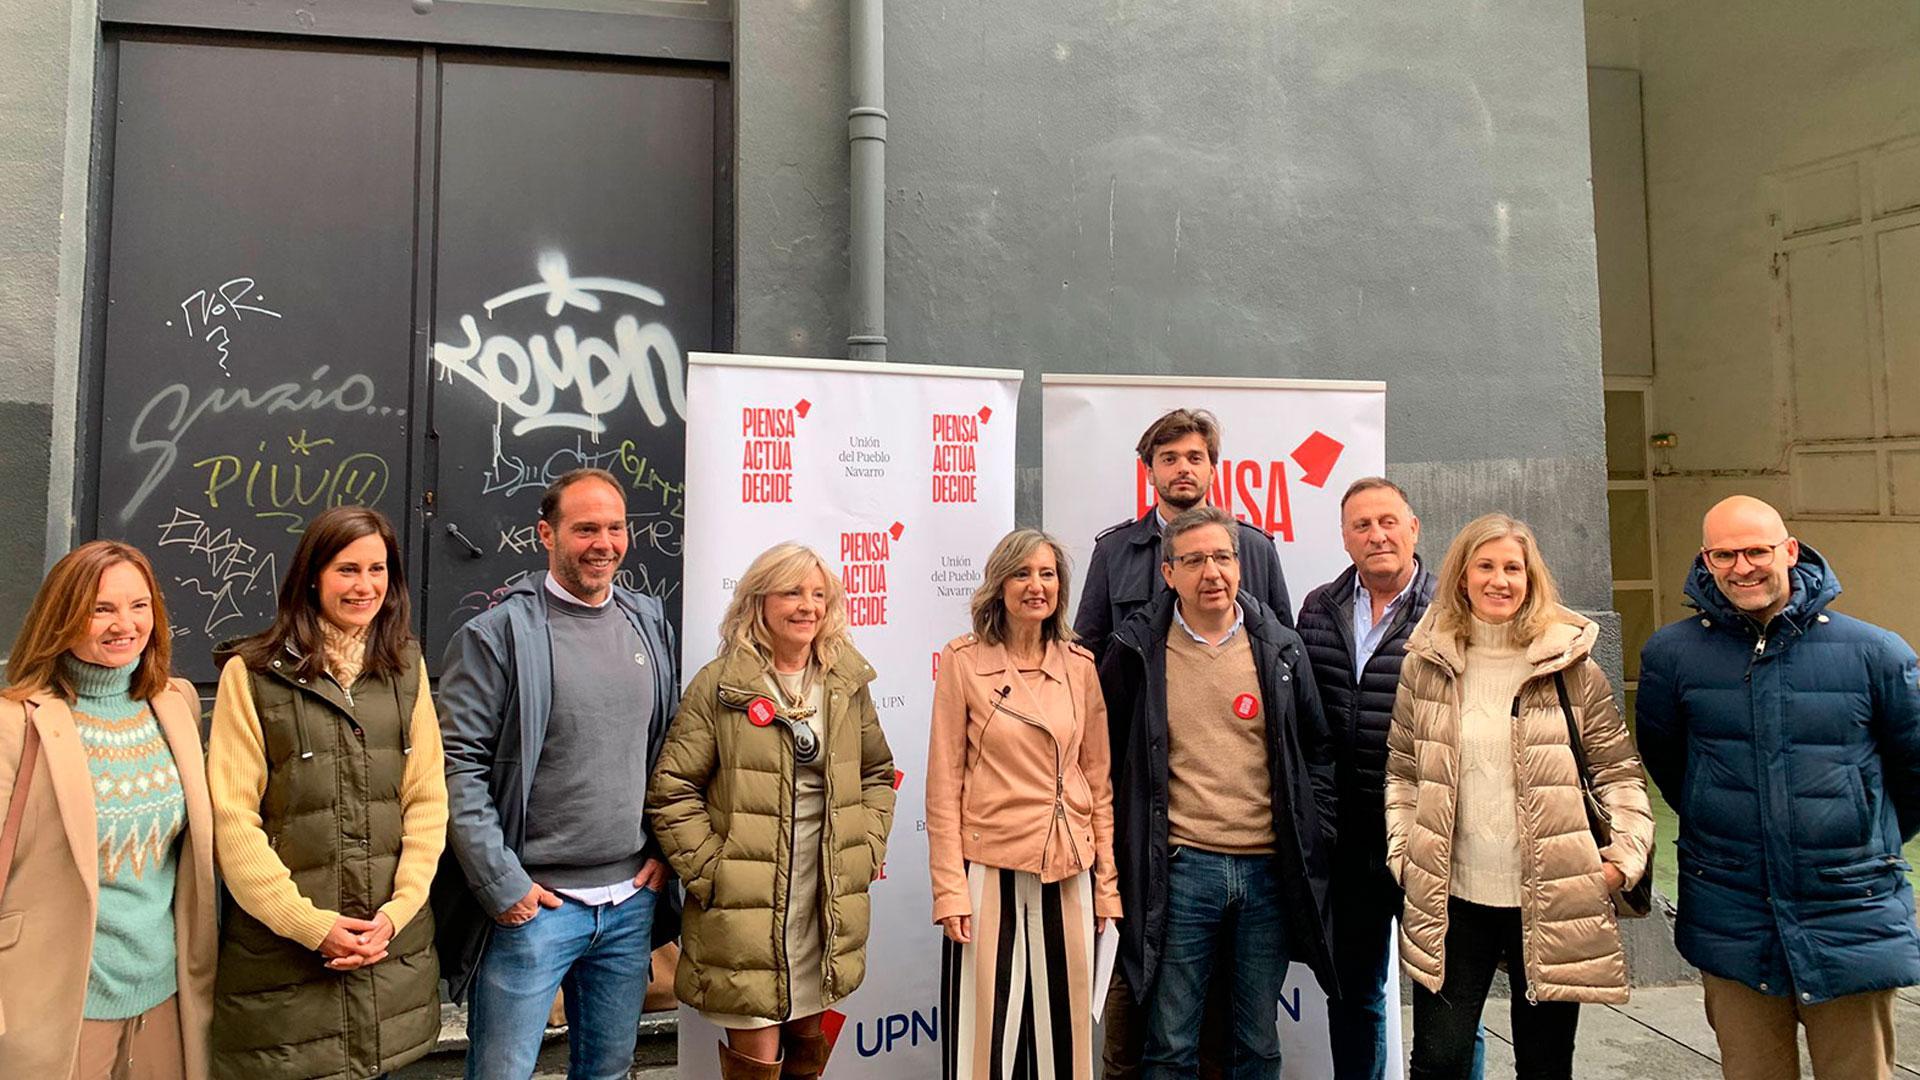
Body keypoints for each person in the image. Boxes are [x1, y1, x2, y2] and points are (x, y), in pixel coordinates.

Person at [1637, 495, 1920, 1080]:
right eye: (1725, 554)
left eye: (1757, 551)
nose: (1743, 567)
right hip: (1732, 911)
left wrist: (1859, 833)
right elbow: (1670, 766)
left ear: (1789, 550)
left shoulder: (1877, 654)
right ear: (1706, 560)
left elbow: (1913, 772)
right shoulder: (1672, 656)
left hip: (1849, 908)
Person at [1385, 513, 1653, 1080]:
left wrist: (1623, 858)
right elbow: (1403, 773)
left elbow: (1618, 773)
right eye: (1485, 566)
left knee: (1545, 1063)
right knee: (1439, 1059)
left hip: (1553, 896)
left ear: (1532, 580)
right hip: (1454, 897)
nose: (1499, 580)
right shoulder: (1425, 665)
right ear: (1462, 576)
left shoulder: (1570, 667)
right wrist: (1403, 853)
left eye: (1514, 568)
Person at [436, 468, 681, 1080]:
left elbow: (669, 751)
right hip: (534, 909)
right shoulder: (496, 636)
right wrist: (503, 886)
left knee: (606, 1072)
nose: (604, 542)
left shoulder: (648, 623)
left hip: (629, 905)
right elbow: (456, 768)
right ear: (546, 534)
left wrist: (663, 852)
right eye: (585, 529)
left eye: (616, 528)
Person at [1076, 408, 1294, 1078]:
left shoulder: (1254, 547)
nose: (1182, 469)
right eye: (1169, 458)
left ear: (1211, 467)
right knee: (1159, 1020)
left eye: (1194, 457)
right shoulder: (1115, 552)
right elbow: (1086, 667)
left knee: (1245, 1029)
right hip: (1160, 827)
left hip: (1253, 841)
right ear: (1152, 472)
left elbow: (1286, 669)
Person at [206, 505, 448, 1080]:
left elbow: (427, 802)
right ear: (312, 575)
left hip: (392, 963)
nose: (365, 586)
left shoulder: (405, 668)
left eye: (378, 569)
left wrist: (396, 914)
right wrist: (312, 927)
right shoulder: (254, 674)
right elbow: (233, 819)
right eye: (347, 569)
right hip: (286, 973)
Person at [1100, 506, 1337, 1079]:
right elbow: (1105, 755)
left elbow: (1318, 751)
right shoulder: (1136, 651)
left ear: (1240, 565)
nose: (1212, 571)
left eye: (1223, 557)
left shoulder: (1280, 648)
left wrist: (1317, 832)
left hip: (1267, 874)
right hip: (1181, 870)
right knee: (1171, 1041)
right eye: (1195, 559)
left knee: (1255, 1042)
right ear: (1168, 573)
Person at [649, 542, 897, 1080]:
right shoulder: (721, 686)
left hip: (822, 896)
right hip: (749, 904)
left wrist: (864, 847)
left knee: (809, 1039)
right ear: (758, 601)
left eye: (818, 594)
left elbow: (878, 774)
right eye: (792, 592)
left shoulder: (844, 683)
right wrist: (714, 872)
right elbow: (672, 789)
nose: (808, 606)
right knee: (756, 1053)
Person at [0, 540, 216, 1080]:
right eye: (102, 608)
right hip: (57, 1001)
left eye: (139, 605)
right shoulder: (15, 723)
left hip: (164, 995)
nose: (126, 623)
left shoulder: (175, 703)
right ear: (64, 615)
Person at [927, 529, 1121, 1080]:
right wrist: (950, 890)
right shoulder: (963, 662)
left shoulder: (1080, 666)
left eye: (1048, 574)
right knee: (981, 1047)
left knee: (1068, 1046)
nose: (1037, 586)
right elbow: (943, 786)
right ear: (1000, 584)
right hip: (989, 872)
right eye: (1022, 574)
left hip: (1070, 873)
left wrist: (1106, 890)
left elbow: (1099, 784)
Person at [1296, 477, 1460, 1080]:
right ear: (1344, 538)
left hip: (1430, 839)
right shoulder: (1318, 607)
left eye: (1388, 521)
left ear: (1414, 529)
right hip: (1351, 841)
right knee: (1354, 997)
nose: (1377, 535)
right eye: (1362, 525)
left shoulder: (1453, 610)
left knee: (1446, 1002)